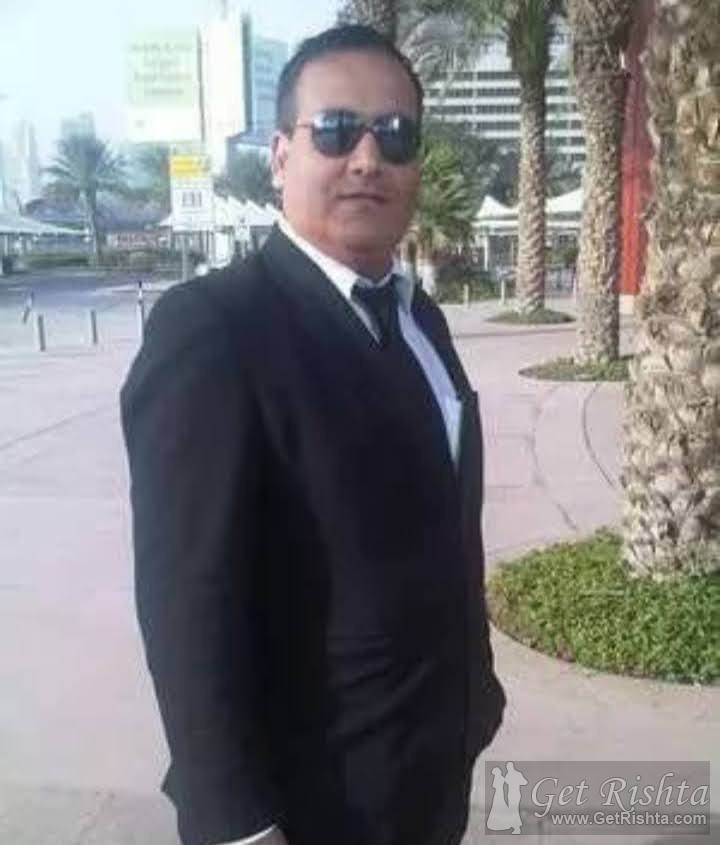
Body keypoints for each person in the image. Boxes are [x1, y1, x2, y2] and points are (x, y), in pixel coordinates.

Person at [120, 24, 505, 845]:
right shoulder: (215, 329)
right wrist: (235, 822)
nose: (367, 159)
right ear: (281, 156)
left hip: (432, 763)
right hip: (312, 796)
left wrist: (477, 696)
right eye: (335, 130)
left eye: (395, 136)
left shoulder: (420, 319)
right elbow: (187, 599)